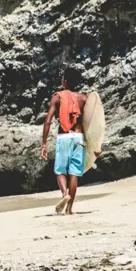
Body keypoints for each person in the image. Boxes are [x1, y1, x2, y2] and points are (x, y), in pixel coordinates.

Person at [41, 67, 88, 215]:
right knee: (74, 174)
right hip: (79, 138)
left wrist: (43, 144)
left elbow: (48, 121)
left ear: (65, 81)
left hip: (64, 137)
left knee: (61, 171)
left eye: (62, 78)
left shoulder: (57, 97)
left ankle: (64, 195)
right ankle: (69, 209)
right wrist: (96, 144)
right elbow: (91, 123)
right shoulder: (84, 98)